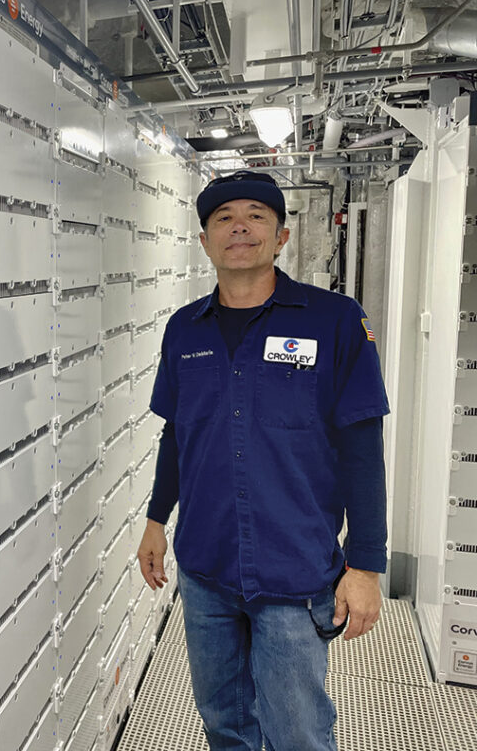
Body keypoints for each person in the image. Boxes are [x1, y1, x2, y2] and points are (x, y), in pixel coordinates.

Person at [136, 170, 389, 751]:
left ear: (282, 236)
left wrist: (366, 566)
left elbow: (361, 448)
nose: (239, 227)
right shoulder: (184, 330)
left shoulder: (334, 321)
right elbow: (178, 435)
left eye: (255, 215)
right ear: (204, 241)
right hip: (205, 569)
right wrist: (155, 519)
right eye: (223, 218)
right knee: (224, 724)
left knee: (296, 730)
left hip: (294, 572)